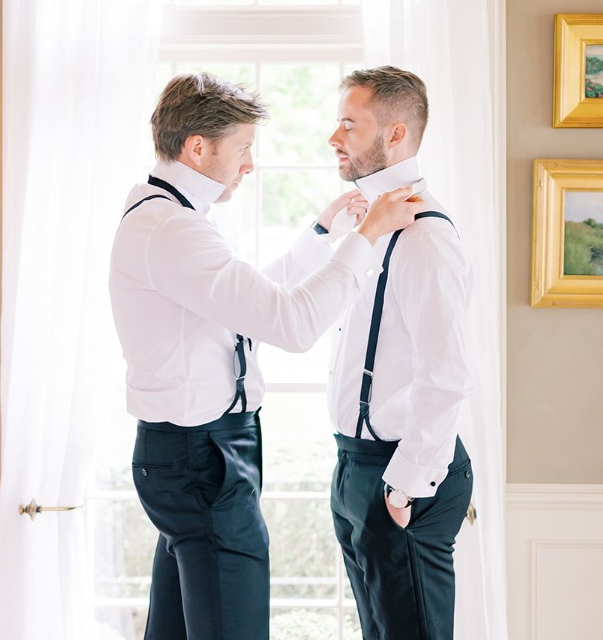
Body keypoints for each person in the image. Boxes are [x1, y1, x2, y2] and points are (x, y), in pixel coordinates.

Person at [109, 72, 421, 640]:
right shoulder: (172, 228)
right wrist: (368, 237)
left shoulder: (166, 217)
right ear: (197, 148)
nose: (250, 165)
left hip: (189, 455)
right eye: (243, 149)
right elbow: (291, 323)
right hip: (202, 458)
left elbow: (250, 304)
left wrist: (323, 232)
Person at [322, 66, 476, 640]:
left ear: (395, 134)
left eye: (348, 124)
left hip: (400, 474)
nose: (334, 139)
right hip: (356, 466)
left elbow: (447, 377)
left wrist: (405, 484)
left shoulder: (426, 239)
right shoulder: (373, 227)